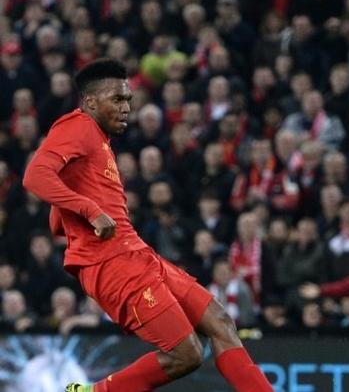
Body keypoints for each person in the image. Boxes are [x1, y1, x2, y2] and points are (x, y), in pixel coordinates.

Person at [22, 59, 273, 392]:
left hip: (136, 253)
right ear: (91, 102)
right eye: (117, 99)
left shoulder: (98, 141)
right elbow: (34, 175)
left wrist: (74, 211)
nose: (127, 107)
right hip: (112, 263)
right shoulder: (77, 126)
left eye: (128, 99)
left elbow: (58, 216)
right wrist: (89, 209)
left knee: (220, 322)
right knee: (186, 354)